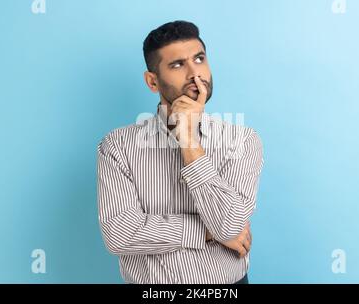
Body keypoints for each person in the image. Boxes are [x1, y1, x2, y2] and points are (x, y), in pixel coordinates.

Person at [97, 20, 264, 284]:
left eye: (199, 59)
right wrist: (208, 232)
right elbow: (119, 234)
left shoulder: (241, 140)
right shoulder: (117, 146)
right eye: (177, 65)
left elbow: (230, 226)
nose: (194, 74)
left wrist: (188, 141)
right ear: (153, 81)